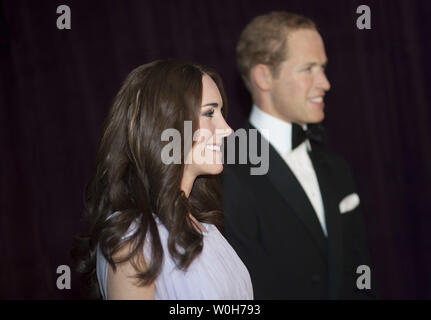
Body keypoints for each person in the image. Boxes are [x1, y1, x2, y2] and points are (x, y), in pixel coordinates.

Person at [222, 12, 376, 299]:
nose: (325, 83)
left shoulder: (336, 167)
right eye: (308, 69)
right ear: (264, 76)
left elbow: (361, 276)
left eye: (323, 68)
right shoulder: (226, 167)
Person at [72, 59, 253, 299]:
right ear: (166, 123)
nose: (227, 129)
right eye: (209, 112)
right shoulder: (133, 240)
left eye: (221, 112)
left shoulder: (207, 229)